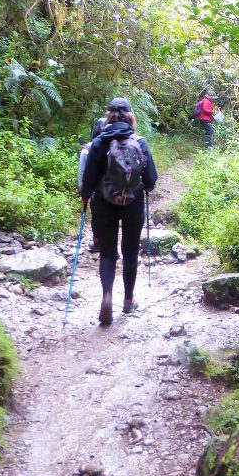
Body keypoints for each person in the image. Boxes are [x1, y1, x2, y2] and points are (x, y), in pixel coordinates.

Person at [80, 98, 158, 326]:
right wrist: (141, 186)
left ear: (108, 117)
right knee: (131, 251)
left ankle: (107, 297)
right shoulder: (140, 142)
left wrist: (86, 197)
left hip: (104, 203)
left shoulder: (98, 144)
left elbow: (88, 181)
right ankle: (128, 300)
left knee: (107, 252)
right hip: (133, 203)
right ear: (131, 117)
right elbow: (151, 180)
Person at [78, 117, 106, 253]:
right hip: (112, 190)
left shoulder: (87, 149)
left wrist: (84, 194)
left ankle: (97, 241)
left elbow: (82, 174)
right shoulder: (115, 146)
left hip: (95, 191)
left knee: (96, 215)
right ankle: (109, 242)